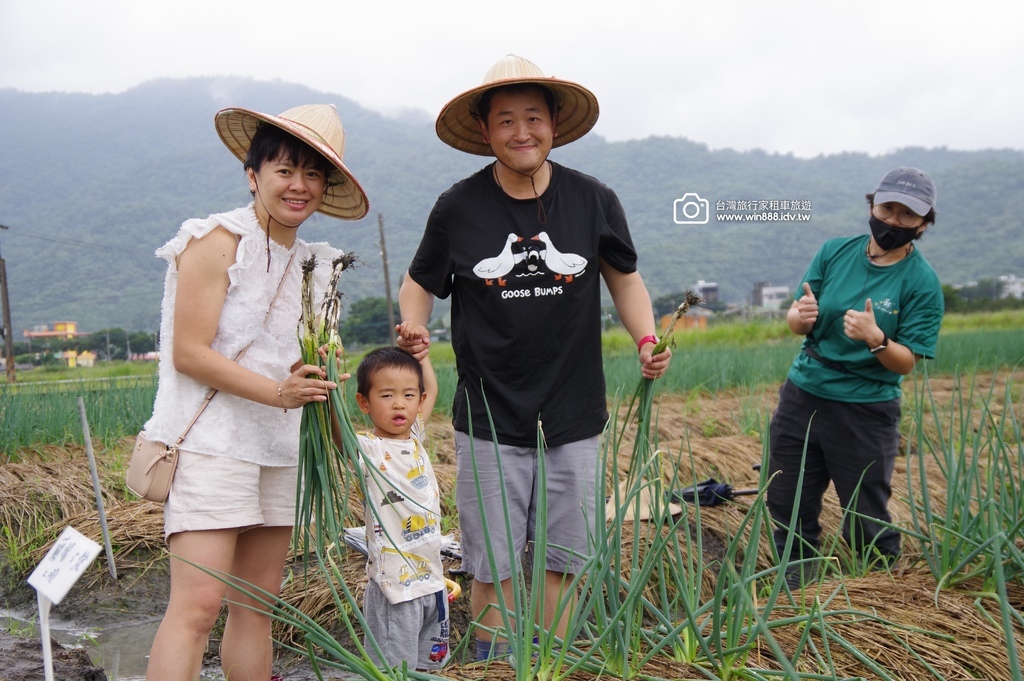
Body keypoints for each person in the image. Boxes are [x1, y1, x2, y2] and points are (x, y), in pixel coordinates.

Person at [397, 54, 671, 660]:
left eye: (532, 118)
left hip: (573, 411)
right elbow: (419, 281)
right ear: (486, 131)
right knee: (491, 562)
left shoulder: (593, 199)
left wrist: (647, 340)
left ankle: (552, 664)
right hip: (488, 414)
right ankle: (496, 665)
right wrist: (414, 327)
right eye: (505, 120)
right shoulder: (458, 206)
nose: (521, 132)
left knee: (564, 558)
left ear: (553, 124)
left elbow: (625, 279)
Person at [143, 103, 368, 680]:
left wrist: (324, 392)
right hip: (212, 447)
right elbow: (189, 352)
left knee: (257, 605)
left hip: (282, 450)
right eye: (284, 170)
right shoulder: (217, 241)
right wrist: (278, 392)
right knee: (198, 606)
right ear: (253, 174)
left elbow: (308, 369)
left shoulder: (318, 267)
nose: (299, 185)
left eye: (313, 174)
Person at [766, 166, 944, 588]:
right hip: (803, 395)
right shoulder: (835, 252)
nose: (894, 220)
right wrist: (801, 317)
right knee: (787, 503)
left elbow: (906, 362)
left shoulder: (921, 282)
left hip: (865, 408)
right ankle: (793, 591)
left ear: (923, 223)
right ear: (872, 207)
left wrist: (876, 339)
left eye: (907, 214)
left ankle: (878, 593)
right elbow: (797, 317)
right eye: (887, 208)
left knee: (866, 517)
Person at [351, 329, 448, 671]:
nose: (398, 403)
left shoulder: (415, 436)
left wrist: (422, 354)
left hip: (432, 580)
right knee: (392, 671)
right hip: (395, 587)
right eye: (387, 395)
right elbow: (338, 435)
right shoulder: (368, 448)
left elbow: (430, 386)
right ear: (364, 403)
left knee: (427, 668)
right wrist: (327, 385)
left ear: (419, 402)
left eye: (408, 395)